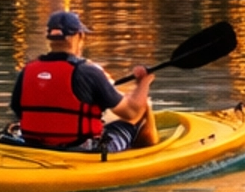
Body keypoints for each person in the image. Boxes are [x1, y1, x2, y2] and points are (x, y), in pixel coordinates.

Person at [9, 10, 158, 152]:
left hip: (33, 144)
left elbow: (17, 110)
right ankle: (151, 153)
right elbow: (131, 112)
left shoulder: (27, 71)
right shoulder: (89, 72)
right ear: (79, 36)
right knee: (137, 117)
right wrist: (144, 82)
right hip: (81, 149)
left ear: (49, 37)